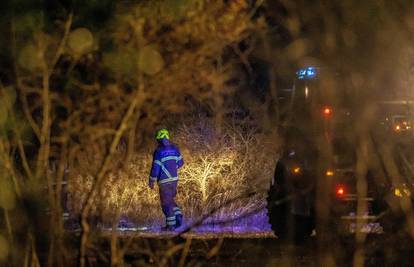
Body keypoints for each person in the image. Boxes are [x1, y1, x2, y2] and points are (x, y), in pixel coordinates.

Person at [149, 128, 184, 231]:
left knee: (166, 204)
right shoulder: (175, 148)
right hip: (174, 180)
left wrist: (151, 180)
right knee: (170, 201)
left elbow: (155, 168)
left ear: (159, 139)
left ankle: (170, 226)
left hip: (164, 182)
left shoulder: (158, 151)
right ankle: (178, 215)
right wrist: (172, 168)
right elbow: (181, 163)